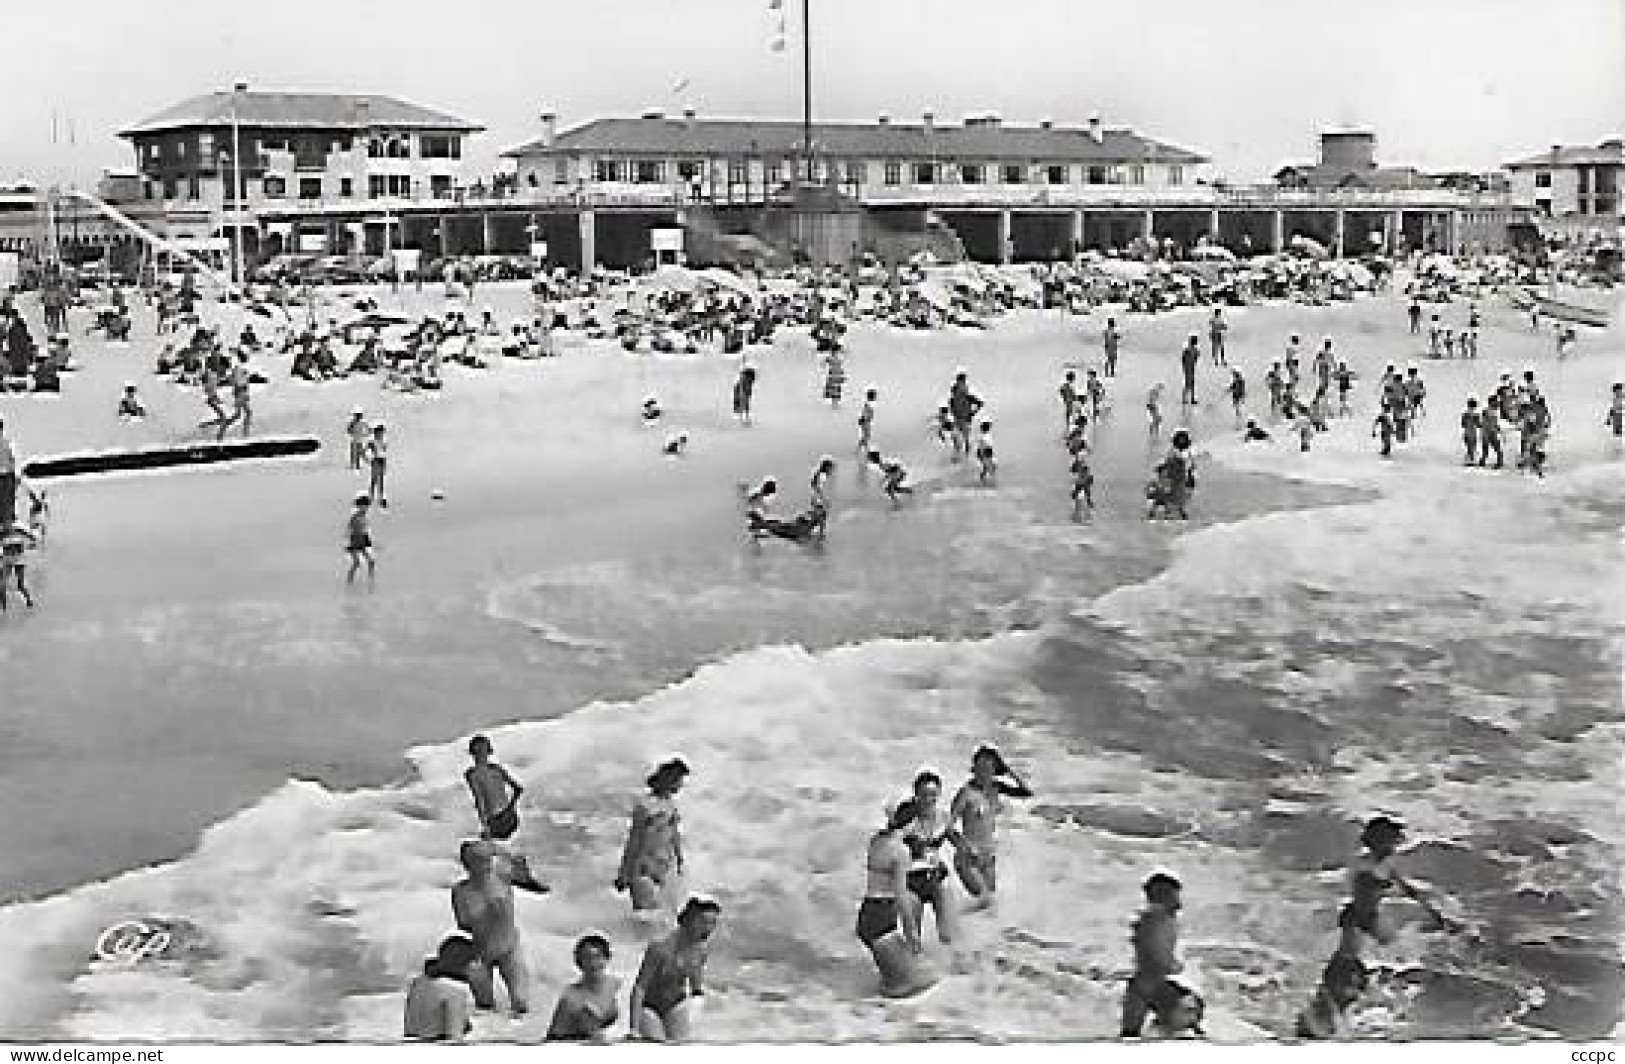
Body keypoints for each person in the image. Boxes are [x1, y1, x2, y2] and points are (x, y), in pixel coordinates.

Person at [451, 839, 549, 1017]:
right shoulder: (461, 891)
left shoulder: (502, 876)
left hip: (509, 948)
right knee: (484, 1007)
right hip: (481, 951)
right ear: (468, 865)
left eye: (487, 860)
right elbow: (462, 924)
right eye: (478, 861)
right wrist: (485, 914)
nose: (485, 865)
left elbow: (521, 865)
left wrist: (497, 848)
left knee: (520, 1003)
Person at [1336, 816, 1449, 959]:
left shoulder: (1386, 863)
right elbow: (1361, 880)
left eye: (1394, 840)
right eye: (1390, 840)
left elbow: (1406, 888)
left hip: (1372, 917)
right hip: (1355, 917)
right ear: (1378, 841)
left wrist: (1433, 912)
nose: (1394, 844)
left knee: (1395, 950)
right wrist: (1377, 883)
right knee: (1346, 956)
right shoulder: (1364, 861)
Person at [858, 802, 937, 998]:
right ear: (912, 823)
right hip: (883, 919)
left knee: (895, 985)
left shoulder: (877, 840)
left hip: (869, 913)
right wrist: (912, 933)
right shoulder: (901, 852)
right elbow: (901, 894)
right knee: (917, 983)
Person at [949, 746, 1032, 911]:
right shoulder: (966, 793)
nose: (984, 773)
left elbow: (1026, 792)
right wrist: (964, 846)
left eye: (989, 768)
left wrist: (1007, 770)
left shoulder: (996, 788)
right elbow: (947, 826)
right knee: (986, 900)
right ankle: (952, 918)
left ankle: (973, 932)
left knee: (989, 907)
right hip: (968, 858)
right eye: (980, 768)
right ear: (974, 768)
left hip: (988, 857)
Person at [630, 896, 720, 1043]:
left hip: (676, 1003)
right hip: (650, 1006)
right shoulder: (660, 947)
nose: (708, 928)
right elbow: (640, 988)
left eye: (713, 923)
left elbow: (696, 988)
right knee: (656, 1043)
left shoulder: (701, 951)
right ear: (689, 920)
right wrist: (633, 1028)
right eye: (704, 922)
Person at [616, 758, 688, 912]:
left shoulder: (671, 806)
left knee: (663, 915)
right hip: (643, 867)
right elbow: (634, 840)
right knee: (647, 914)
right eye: (679, 781)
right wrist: (624, 873)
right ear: (669, 780)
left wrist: (680, 859)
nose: (681, 785)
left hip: (664, 866)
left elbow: (674, 835)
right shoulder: (645, 806)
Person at [1121, 872, 1185, 1038]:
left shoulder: (1153, 919)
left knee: (1130, 1036)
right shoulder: (1157, 919)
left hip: (1143, 987)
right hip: (1150, 986)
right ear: (1163, 896)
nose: (1179, 904)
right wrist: (1171, 964)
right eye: (1175, 896)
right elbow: (1156, 953)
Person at [900, 770, 960, 947]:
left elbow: (953, 836)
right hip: (911, 881)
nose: (929, 799)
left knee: (948, 935)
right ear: (916, 795)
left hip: (936, 877)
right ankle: (916, 970)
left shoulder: (943, 817)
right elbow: (889, 846)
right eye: (924, 795)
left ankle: (952, 972)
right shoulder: (905, 820)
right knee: (913, 939)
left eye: (933, 795)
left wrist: (967, 850)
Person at [403, 934, 479, 1042]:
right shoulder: (456, 991)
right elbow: (455, 1040)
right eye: (474, 961)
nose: (477, 966)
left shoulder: (418, 983)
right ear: (463, 963)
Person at [546, 934, 622, 1042]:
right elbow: (553, 1039)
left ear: (607, 958)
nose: (593, 963)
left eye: (597, 957)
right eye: (587, 958)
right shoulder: (570, 997)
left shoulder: (617, 985)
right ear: (579, 963)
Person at [1295, 953, 1369, 1040]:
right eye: (1350, 985)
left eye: (1359, 986)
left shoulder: (1355, 1008)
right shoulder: (1311, 1009)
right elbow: (1331, 1037)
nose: (1356, 992)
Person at [465, 735, 524, 841]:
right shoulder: (496, 769)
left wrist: (485, 826)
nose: (479, 754)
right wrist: (510, 809)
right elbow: (518, 789)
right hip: (511, 818)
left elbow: (479, 800)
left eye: (480, 750)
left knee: (483, 846)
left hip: (497, 820)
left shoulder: (473, 774)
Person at [0, 521, 38, 611]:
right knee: (2, 584)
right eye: (3, 524)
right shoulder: (1, 534)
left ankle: (29, 602)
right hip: (6, 560)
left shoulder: (19, 531)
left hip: (19, 560)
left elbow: (32, 538)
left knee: (20, 586)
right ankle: (3, 608)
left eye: (6, 523)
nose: (5, 525)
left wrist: (31, 545)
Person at [344, 494, 376, 585]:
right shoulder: (356, 517)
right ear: (359, 506)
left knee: (371, 561)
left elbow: (364, 530)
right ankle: (349, 582)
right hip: (355, 541)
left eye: (366, 506)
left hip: (362, 541)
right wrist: (350, 540)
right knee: (356, 563)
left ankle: (371, 581)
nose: (365, 508)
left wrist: (368, 541)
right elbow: (350, 529)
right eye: (363, 506)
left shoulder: (364, 517)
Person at [367, 423, 390, 508]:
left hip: (382, 460)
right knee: (374, 480)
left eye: (382, 432)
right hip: (376, 460)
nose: (382, 434)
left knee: (381, 480)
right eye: (380, 432)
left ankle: (381, 498)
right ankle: (370, 497)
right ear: (376, 432)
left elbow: (384, 450)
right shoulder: (372, 441)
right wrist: (369, 458)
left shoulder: (383, 441)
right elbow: (366, 450)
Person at [1069, 447, 1095, 522]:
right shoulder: (1080, 463)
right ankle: (1081, 516)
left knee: (1081, 498)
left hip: (1082, 483)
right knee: (1081, 498)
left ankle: (1084, 516)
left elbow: (1073, 470)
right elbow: (1073, 470)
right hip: (1081, 483)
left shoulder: (1081, 464)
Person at [0, 418, 17, 528]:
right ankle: (7, 525)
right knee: (7, 504)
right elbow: (11, 461)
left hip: (6, 476)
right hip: (6, 476)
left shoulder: (6, 443)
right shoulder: (6, 443)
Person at [1478, 401, 1504, 469]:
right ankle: (1498, 462)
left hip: (1490, 432)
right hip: (1489, 433)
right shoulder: (1488, 411)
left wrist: (1497, 427)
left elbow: (1491, 423)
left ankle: (1498, 462)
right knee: (1495, 449)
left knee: (1492, 449)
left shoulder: (1493, 412)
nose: (1497, 405)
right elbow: (1487, 422)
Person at [1460, 398, 1482, 466]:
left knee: (1469, 447)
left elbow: (1463, 424)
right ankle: (1471, 460)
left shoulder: (1465, 414)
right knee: (1472, 446)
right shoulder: (1476, 415)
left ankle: (1469, 459)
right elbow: (1478, 424)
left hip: (1466, 432)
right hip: (1472, 432)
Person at [1178, 335, 1200, 405]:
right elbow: (1195, 359)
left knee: (1190, 383)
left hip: (1189, 367)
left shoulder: (1188, 350)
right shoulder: (1193, 350)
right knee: (1189, 383)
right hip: (1190, 367)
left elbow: (1183, 359)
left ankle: (1189, 399)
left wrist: (1185, 367)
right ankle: (1187, 399)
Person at [974, 420, 997, 485]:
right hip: (984, 452)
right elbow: (981, 446)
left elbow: (989, 445)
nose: (989, 428)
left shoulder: (986, 435)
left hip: (988, 451)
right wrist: (981, 455)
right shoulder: (982, 436)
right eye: (988, 426)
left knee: (988, 467)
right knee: (990, 466)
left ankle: (985, 480)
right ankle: (986, 481)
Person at [1604, 383, 1623, 453]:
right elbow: (1612, 410)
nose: (1619, 392)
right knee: (1618, 434)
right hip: (1617, 418)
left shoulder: (1622, 398)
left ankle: (1618, 449)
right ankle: (1618, 449)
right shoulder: (1615, 400)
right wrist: (1608, 419)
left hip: (1621, 417)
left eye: (1620, 390)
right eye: (1617, 391)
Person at [857, 388, 877, 454]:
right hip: (866, 421)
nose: (875, 397)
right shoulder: (868, 404)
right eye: (874, 396)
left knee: (865, 436)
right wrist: (865, 420)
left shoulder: (868, 403)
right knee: (866, 436)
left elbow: (865, 412)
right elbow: (865, 412)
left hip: (866, 421)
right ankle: (863, 449)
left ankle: (862, 449)